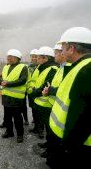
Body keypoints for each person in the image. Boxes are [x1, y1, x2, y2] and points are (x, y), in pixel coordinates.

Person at [46, 27, 91, 168]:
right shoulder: (80, 67)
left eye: (63, 48)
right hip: (68, 140)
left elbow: (85, 116)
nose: (61, 52)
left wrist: (68, 148)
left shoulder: (86, 70)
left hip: (75, 145)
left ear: (71, 48)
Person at [37, 44, 67, 158]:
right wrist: (49, 90)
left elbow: (64, 88)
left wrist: (49, 90)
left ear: (63, 53)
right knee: (50, 129)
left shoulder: (64, 68)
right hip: (52, 104)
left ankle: (51, 152)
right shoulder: (61, 67)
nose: (55, 56)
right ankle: (49, 146)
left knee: (54, 132)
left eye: (56, 53)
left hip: (58, 106)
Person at [0, 49, 28, 143]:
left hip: (16, 98)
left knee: (17, 117)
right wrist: (1, 82)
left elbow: (22, 80)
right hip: (6, 97)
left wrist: (8, 84)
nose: (8, 58)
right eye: (8, 57)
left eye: (11, 57)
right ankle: (9, 132)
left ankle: (20, 135)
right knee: (7, 117)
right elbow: (1, 78)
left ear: (17, 58)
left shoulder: (23, 67)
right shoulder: (5, 67)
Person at [30, 46, 58, 140]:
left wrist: (34, 92)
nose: (37, 59)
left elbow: (46, 85)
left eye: (38, 57)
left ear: (45, 58)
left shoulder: (52, 69)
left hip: (46, 102)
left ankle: (49, 147)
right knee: (42, 120)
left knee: (48, 126)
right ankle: (46, 142)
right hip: (40, 100)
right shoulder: (43, 67)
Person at [25, 49, 39, 126]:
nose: (33, 58)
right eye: (32, 57)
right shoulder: (28, 66)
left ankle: (39, 126)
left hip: (38, 91)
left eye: (35, 57)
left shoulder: (40, 67)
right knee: (33, 107)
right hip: (30, 91)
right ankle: (35, 121)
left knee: (38, 108)